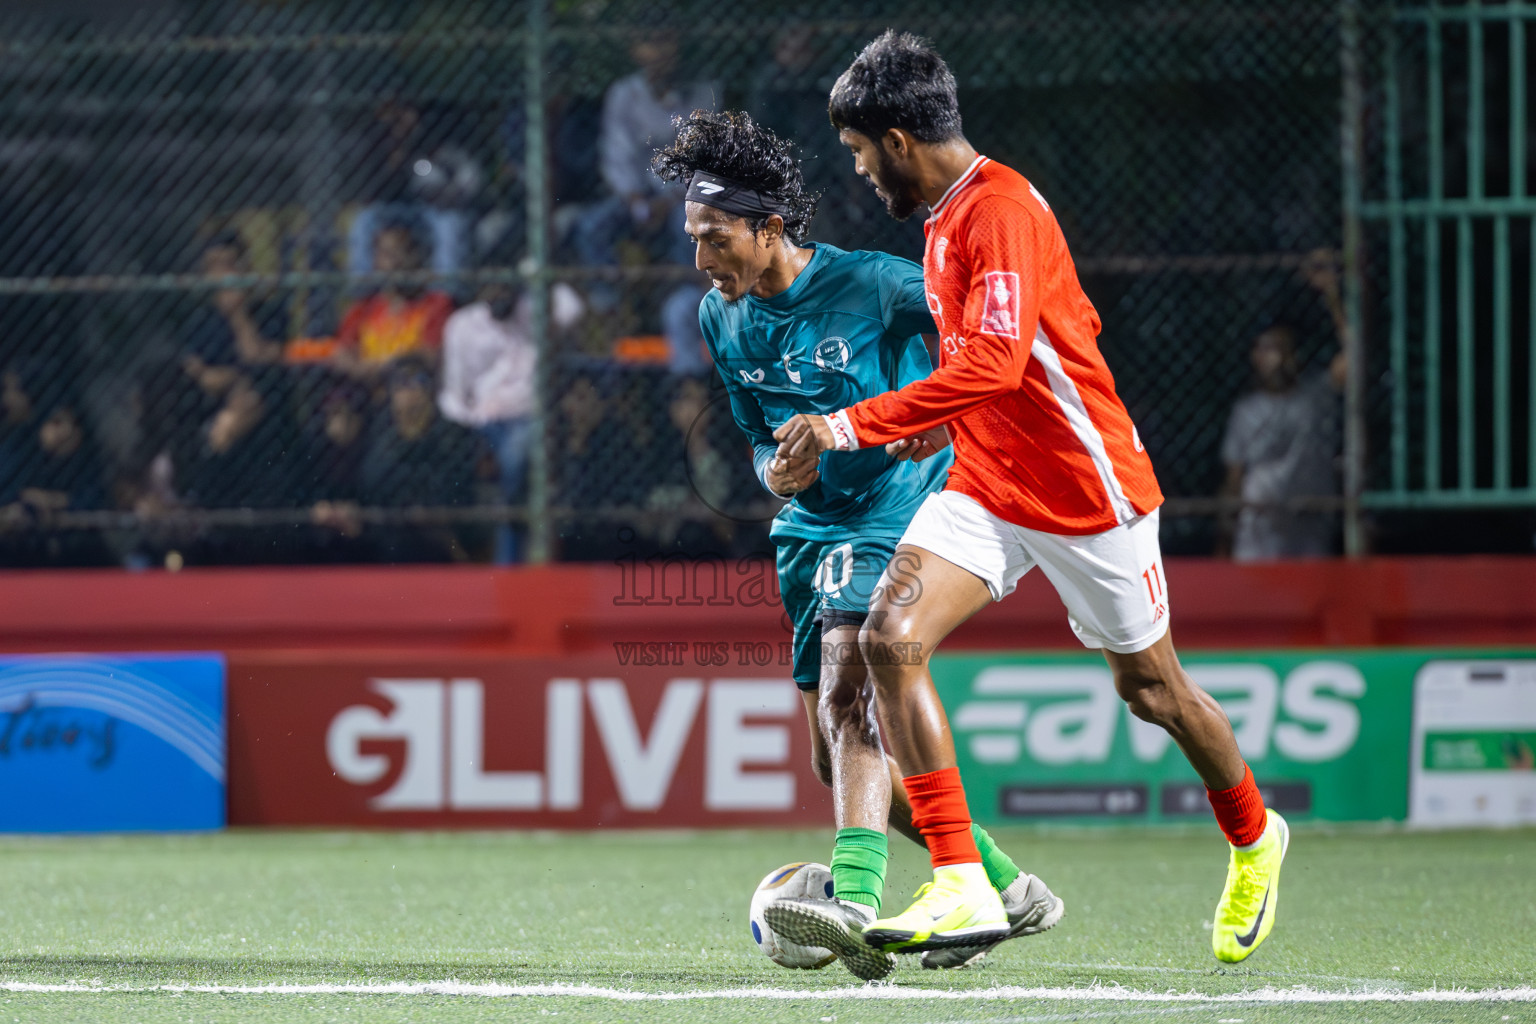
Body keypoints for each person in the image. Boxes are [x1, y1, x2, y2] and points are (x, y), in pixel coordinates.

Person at [773, 31, 1287, 964]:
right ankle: (964, 882)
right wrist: (935, 425)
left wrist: (853, 425)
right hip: (986, 482)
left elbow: (998, 362)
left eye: (857, 153)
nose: (857, 174)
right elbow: (983, 369)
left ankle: (1256, 837)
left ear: (896, 138)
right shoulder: (940, 218)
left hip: (1087, 491)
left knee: (1154, 692)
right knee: (892, 639)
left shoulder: (997, 210)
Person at [652, 109, 1061, 981]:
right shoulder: (720, 319)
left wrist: (940, 415)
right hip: (808, 531)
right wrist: (771, 471)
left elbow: (988, 346)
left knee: (853, 681)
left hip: (894, 511)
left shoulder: (878, 285)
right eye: (693, 238)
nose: (701, 259)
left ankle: (851, 902)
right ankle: (1005, 887)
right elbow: (755, 431)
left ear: (770, 228)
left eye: (716, 237)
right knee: (835, 751)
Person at [438, 275, 583, 564]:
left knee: (517, 453)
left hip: (527, 417)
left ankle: (507, 562)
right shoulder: (463, 324)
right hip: (478, 422)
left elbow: (573, 306)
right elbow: (452, 393)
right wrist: (471, 423)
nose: (499, 294)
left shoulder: (534, 312)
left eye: (505, 286)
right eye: (492, 287)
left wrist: (536, 276)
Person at [1217, 323, 1342, 561]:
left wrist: (1333, 295)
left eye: (1281, 349)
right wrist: (1225, 537)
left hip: (1307, 524)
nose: (1275, 358)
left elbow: (1352, 359)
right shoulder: (1245, 411)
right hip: (1261, 528)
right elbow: (1234, 476)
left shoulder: (1316, 397)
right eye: (1266, 349)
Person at [334, 223, 454, 378]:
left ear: (417, 257)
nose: (396, 263)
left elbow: (430, 355)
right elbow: (342, 353)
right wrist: (361, 370)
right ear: (375, 261)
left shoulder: (436, 304)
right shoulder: (363, 307)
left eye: (403, 253)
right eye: (387, 255)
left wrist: (387, 368)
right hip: (366, 387)